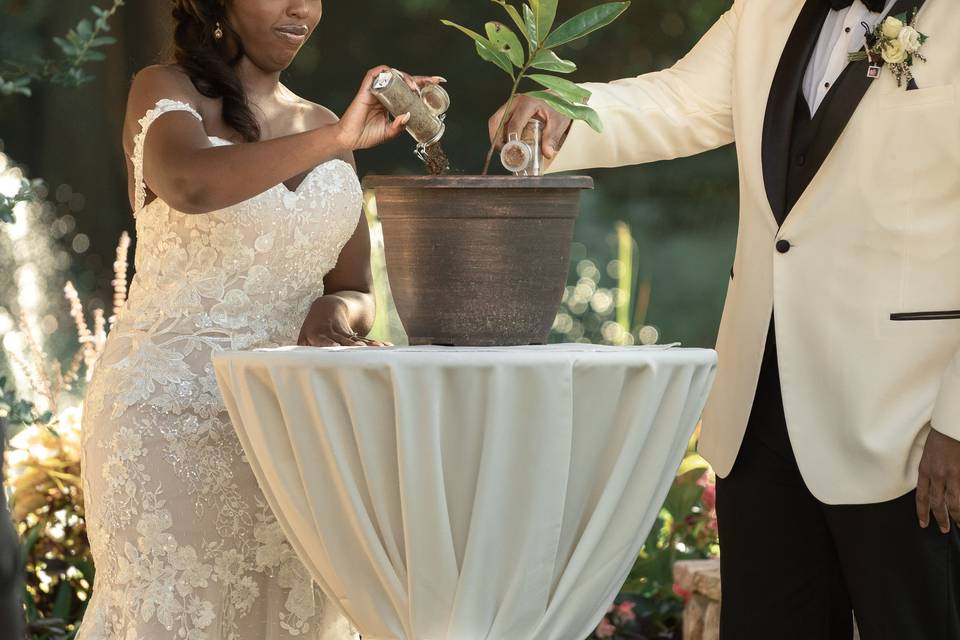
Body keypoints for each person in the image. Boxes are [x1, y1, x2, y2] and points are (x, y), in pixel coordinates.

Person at [490, 0, 960, 638]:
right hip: (760, 410)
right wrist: (563, 115)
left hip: (910, 423)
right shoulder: (766, 9)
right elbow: (680, 100)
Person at [76, 1, 441, 637]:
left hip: (292, 426)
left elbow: (355, 286)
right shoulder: (163, 90)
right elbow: (188, 183)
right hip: (169, 419)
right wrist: (338, 139)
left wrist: (332, 312)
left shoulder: (323, 121)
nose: (303, 7)